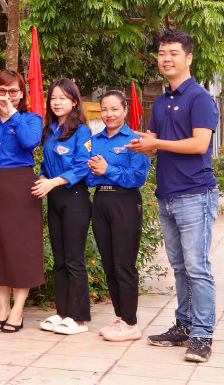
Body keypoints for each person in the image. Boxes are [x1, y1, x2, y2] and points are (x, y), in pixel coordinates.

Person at [129, 29, 219, 363]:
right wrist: (142, 144)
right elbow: (155, 147)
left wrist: (157, 144)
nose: (166, 58)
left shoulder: (199, 98)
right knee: (180, 267)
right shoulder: (163, 101)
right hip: (167, 194)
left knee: (198, 268)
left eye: (174, 53)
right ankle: (183, 326)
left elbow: (199, 145)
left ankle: (203, 334)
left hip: (196, 194)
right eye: (162, 52)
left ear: (189, 57)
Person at [0, 70, 44, 334]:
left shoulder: (31, 119)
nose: (7, 96)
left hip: (21, 186)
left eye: (13, 91)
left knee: (20, 247)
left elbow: (29, 143)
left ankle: (18, 308)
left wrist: (13, 114)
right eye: (1, 91)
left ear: (22, 93)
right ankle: (3, 307)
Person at [87, 90, 151, 342]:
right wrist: (106, 172)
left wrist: (107, 169)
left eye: (115, 109)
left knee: (124, 264)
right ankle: (120, 318)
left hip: (126, 202)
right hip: (101, 201)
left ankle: (131, 322)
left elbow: (138, 177)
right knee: (109, 263)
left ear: (125, 111)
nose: (109, 114)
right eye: (104, 109)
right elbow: (91, 176)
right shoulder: (96, 140)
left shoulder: (136, 140)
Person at [32, 78, 93, 335]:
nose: (57, 102)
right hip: (55, 197)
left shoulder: (82, 131)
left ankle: (79, 318)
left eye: (63, 98)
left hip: (75, 197)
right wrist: (44, 178)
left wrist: (55, 181)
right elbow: (46, 165)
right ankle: (63, 312)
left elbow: (82, 165)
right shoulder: (50, 130)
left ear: (74, 101)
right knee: (58, 260)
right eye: (53, 98)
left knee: (73, 259)